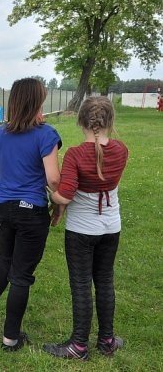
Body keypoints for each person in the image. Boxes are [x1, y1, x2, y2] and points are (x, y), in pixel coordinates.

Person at [0, 78, 61, 352]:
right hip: (30, 210)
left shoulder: (0, 135)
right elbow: (54, 180)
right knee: (21, 274)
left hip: (2, 206)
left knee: (5, 263)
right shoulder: (46, 134)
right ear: (37, 102)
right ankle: (11, 337)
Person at [43, 97, 128, 360]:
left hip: (82, 231)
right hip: (111, 227)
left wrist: (50, 193)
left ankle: (78, 345)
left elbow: (65, 196)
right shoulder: (121, 150)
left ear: (81, 121)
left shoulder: (76, 154)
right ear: (110, 121)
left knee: (81, 284)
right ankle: (107, 340)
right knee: (105, 281)